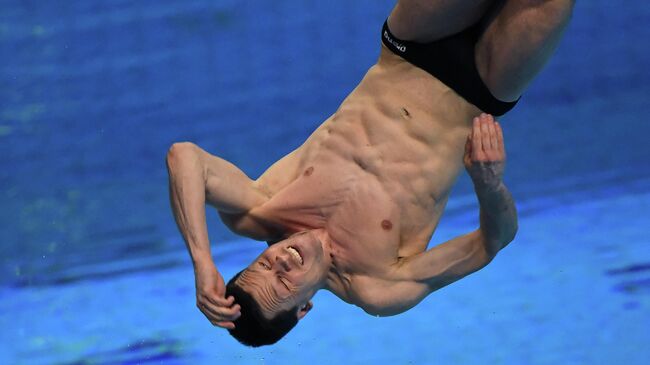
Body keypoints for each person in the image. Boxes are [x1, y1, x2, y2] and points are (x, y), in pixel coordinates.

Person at [166, 0, 575, 347]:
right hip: (483, 87)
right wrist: (489, 186)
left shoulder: (260, 208)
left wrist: (202, 261)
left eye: (263, 265)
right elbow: (492, 242)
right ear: (304, 309)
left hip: (411, 47)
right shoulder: (378, 286)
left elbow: (185, 157)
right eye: (284, 284)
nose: (281, 263)